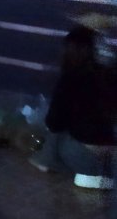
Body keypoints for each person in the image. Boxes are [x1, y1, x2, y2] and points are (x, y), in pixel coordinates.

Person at [29, 25, 117, 189]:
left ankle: (44, 161)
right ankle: (101, 176)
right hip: (111, 157)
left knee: (55, 130)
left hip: (84, 155)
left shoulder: (70, 78)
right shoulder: (110, 76)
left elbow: (54, 122)